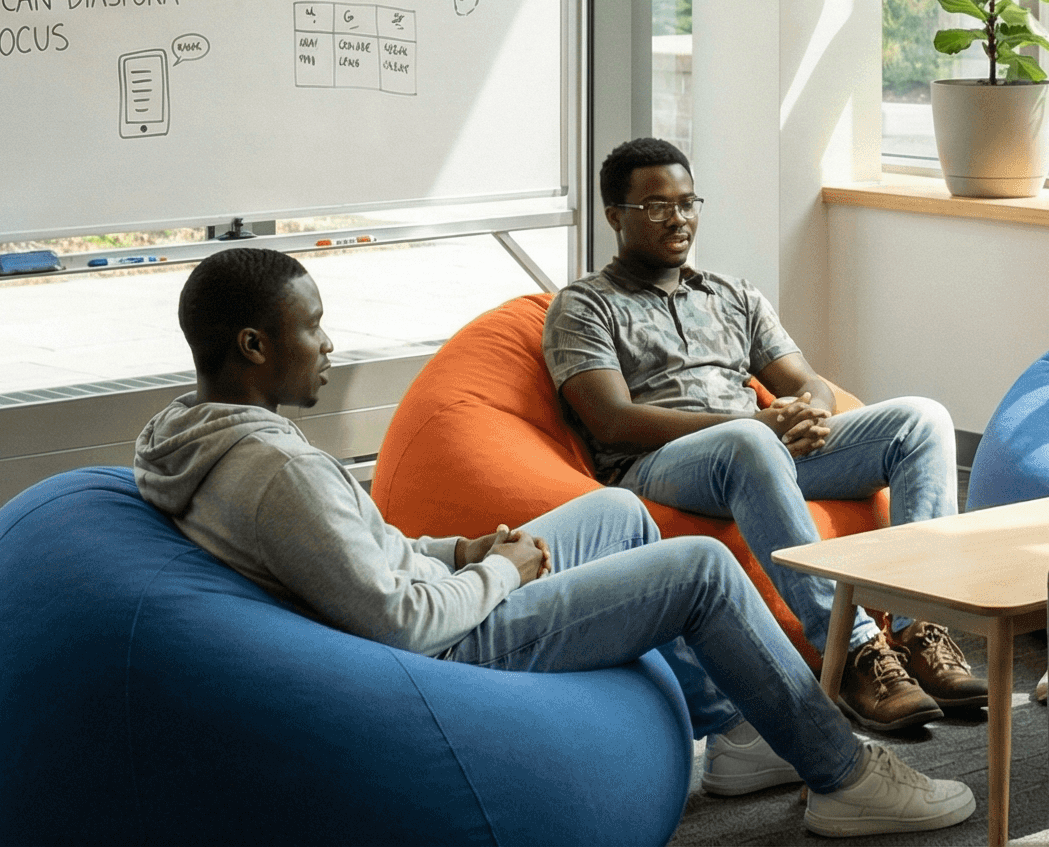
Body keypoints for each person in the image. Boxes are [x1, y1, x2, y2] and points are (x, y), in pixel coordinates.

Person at [133, 247, 973, 837]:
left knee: (620, 514)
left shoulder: (197, 432)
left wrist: (460, 549)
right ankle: (842, 777)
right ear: (253, 346)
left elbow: (364, 550)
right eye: (312, 327)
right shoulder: (275, 471)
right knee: (703, 569)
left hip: (443, 594)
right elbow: (399, 621)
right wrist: (500, 570)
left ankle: (741, 734)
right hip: (448, 649)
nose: (327, 344)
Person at [549, 138, 981, 734]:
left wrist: (808, 415)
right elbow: (611, 420)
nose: (677, 218)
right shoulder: (585, 305)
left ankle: (918, 629)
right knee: (749, 445)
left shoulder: (732, 293)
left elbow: (807, 381)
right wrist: (756, 426)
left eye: (687, 201)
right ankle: (852, 653)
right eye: (655, 206)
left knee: (922, 419)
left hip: (762, 451)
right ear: (614, 216)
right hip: (660, 464)